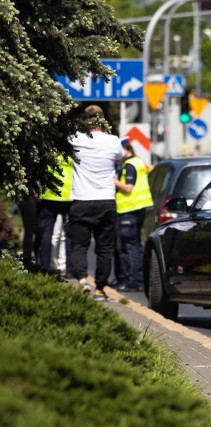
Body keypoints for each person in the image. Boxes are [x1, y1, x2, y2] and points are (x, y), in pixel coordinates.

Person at [67, 105, 124, 301]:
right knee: (105, 247)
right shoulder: (114, 141)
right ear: (103, 120)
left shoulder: (75, 138)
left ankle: (83, 279)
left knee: (79, 244)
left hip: (82, 200)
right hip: (106, 201)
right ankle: (100, 288)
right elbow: (119, 160)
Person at [113, 143, 153, 292]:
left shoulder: (129, 165)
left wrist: (114, 181)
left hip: (129, 209)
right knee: (136, 245)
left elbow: (128, 187)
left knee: (129, 246)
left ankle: (132, 281)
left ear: (126, 149)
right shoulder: (139, 162)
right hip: (139, 208)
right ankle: (139, 279)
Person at [37, 155, 74, 278]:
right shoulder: (73, 153)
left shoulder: (49, 152)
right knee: (69, 235)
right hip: (69, 197)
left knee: (47, 234)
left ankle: (44, 267)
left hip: (50, 196)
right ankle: (69, 269)